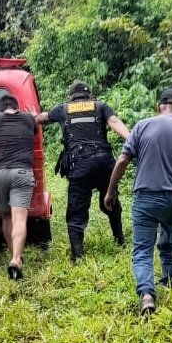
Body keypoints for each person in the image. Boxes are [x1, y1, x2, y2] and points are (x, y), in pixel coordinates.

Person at [104, 88, 172, 316]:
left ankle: (147, 295)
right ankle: (168, 282)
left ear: (159, 106)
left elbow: (122, 160)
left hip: (145, 198)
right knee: (169, 241)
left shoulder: (142, 126)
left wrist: (111, 191)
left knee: (141, 249)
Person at [36, 80, 131, 261]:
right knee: (110, 201)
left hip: (80, 165)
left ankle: (78, 254)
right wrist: (132, 139)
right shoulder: (100, 106)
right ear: (90, 95)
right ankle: (120, 240)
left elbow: (40, 118)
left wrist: (27, 118)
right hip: (105, 163)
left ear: (70, 96)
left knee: (76, 209)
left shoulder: (62, 109)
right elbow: (115, 122)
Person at [0, 94, 36, 279]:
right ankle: (15, 258)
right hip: (21, 172)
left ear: (0, 109)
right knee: (19, 218)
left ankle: (15, 256)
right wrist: (34, 115)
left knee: (6, 217)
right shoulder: (29, 118)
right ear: (16, 106)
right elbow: (36, 124)